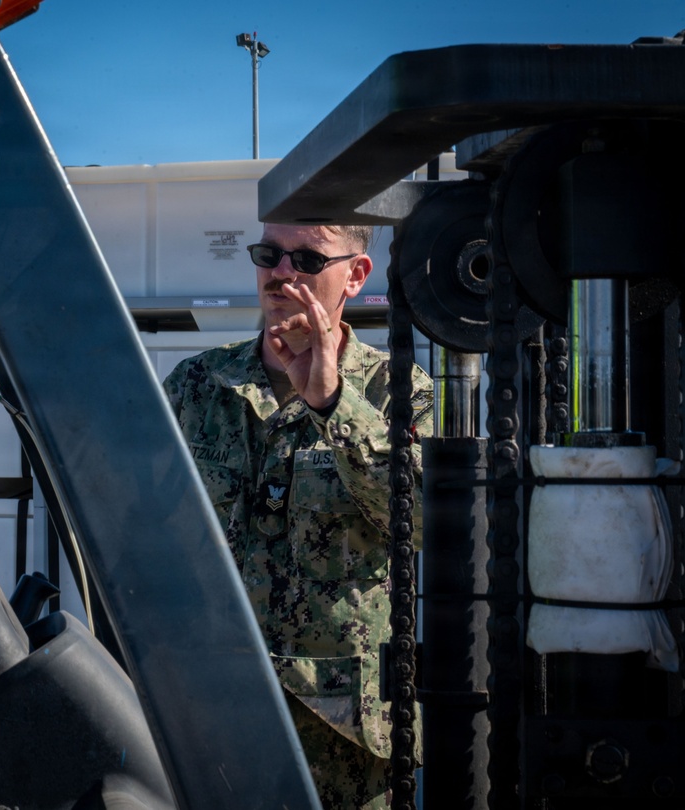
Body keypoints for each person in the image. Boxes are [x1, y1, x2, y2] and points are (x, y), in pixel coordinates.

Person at [162, 222, 432, 808]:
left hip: (343, 734)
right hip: (213, 712)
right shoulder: (196, 387)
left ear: (356, 276)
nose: (282, 273)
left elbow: (422, 517)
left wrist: (335, 405)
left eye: (307, 259)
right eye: (269, 255)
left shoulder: (399, 389)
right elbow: (147, 533)